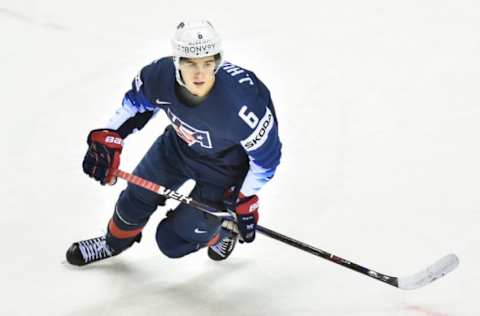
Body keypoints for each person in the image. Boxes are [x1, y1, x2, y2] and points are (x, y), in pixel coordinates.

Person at [66, 19, 282, 266]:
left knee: (172, 241)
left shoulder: (243, 107)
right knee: (133, 202)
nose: (200, 73)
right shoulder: (159, 75)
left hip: (225, 171)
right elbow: (136, 106)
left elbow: (266, 160)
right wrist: (110, 137)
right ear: (177, 61)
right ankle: (111, 243)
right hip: (176, 149)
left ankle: (222, 230)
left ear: (217, 62)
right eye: (191, 63)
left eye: (208, 63)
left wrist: (244, 197)